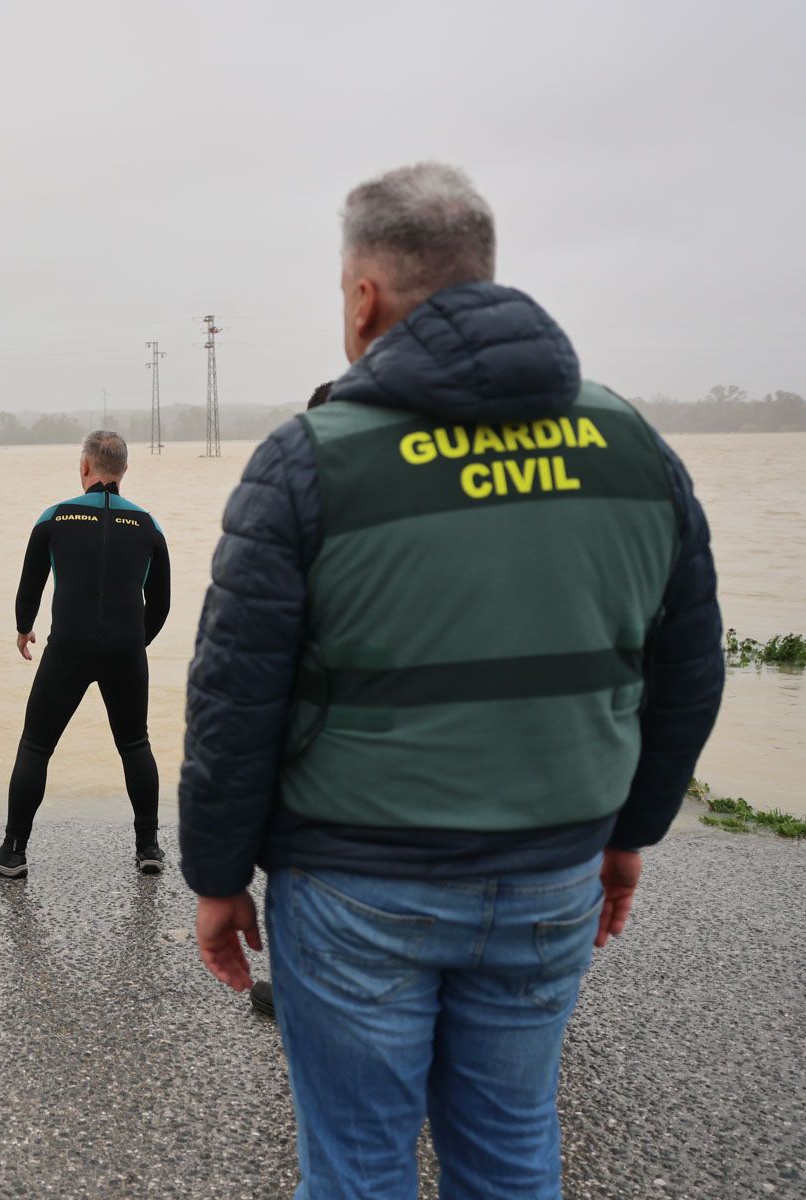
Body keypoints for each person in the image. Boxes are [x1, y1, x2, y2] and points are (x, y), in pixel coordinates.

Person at [180, 162, 723, 1198]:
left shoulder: (308, 460)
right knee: (512, 1149)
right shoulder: (632, 445)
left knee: (359, 1168)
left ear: (362, 295)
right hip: (552, 872)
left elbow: (234, 700)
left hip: (354, 884)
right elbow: (687, 671)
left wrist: (216, 876)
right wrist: (628, 835)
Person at [0, 430, 171, 878]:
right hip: (126, 651)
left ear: (84, 467)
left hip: (69, 649)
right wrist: (137, 643)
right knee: (135, 744)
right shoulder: (147, 525)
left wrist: (24, 628)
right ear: (123, 470)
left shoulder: (54, 518)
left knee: (36, 745)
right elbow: (161, 604)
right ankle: (149, 848)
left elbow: (30, 585)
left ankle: (14, 852)